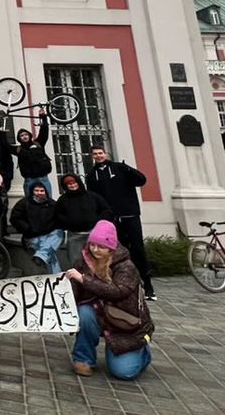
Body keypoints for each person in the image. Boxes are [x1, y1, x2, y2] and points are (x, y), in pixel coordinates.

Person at [65, 220, 155, 380]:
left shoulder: (126, 267)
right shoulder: (83, 262)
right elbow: (74, 291)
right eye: (92, 245)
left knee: (124, 372)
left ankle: (142, 353)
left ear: (111, 247)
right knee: (85, 312)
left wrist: (84, 279)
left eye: (100, 246)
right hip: (98, 314)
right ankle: (83, 359)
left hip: (126, 323)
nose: (95, 249)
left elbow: (117, 291)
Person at [86, 146, 155, 300]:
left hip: (130, 215)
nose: (98, 156)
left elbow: (141, 180)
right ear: (92, 156)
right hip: (111, 220)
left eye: (100, 153)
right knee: (118, 252)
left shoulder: (120, 168)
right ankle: (124, 283)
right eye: (95, 154)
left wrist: (128, 169)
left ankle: (148, 285)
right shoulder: (91, 175)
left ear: (106, 154)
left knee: (137, 249)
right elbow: (94, 198)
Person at [9, 182, 63, 274]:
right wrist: (28, 229)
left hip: (48, 235)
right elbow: (15, 219)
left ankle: (41, 256)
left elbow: (59, 218)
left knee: (59, 233)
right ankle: (56, 277)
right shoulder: (23, 203)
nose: (39, 193)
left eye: (42, 191)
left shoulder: (52, 203)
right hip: (32, 237)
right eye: (36, 190)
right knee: (50, 254)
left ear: (46, 191)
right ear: (32, 191)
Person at [55, 173, 111, 260]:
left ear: (79, 182)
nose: (72, 185)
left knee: (98, 261)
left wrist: (98, 222)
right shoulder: (62, 200)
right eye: (69, 184)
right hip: (74, 236)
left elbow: (106, 210)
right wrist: (69, 223)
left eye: (74, 182)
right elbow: (58, 215)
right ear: (65, 186)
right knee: (76, 262)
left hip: (94, 235)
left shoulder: (93, 196)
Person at [12, 109, 54, 200]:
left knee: (48, 200)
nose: (24, 136)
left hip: (43, 178)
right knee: (29, 202)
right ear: (19, 138)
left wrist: (43, 117)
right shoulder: (18, 149)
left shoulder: (38, 143)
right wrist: (2, 131)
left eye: (26, 134)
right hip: (29, 179)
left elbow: (44, 131)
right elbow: (5, 146)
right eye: (21, 135)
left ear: (29, 135)